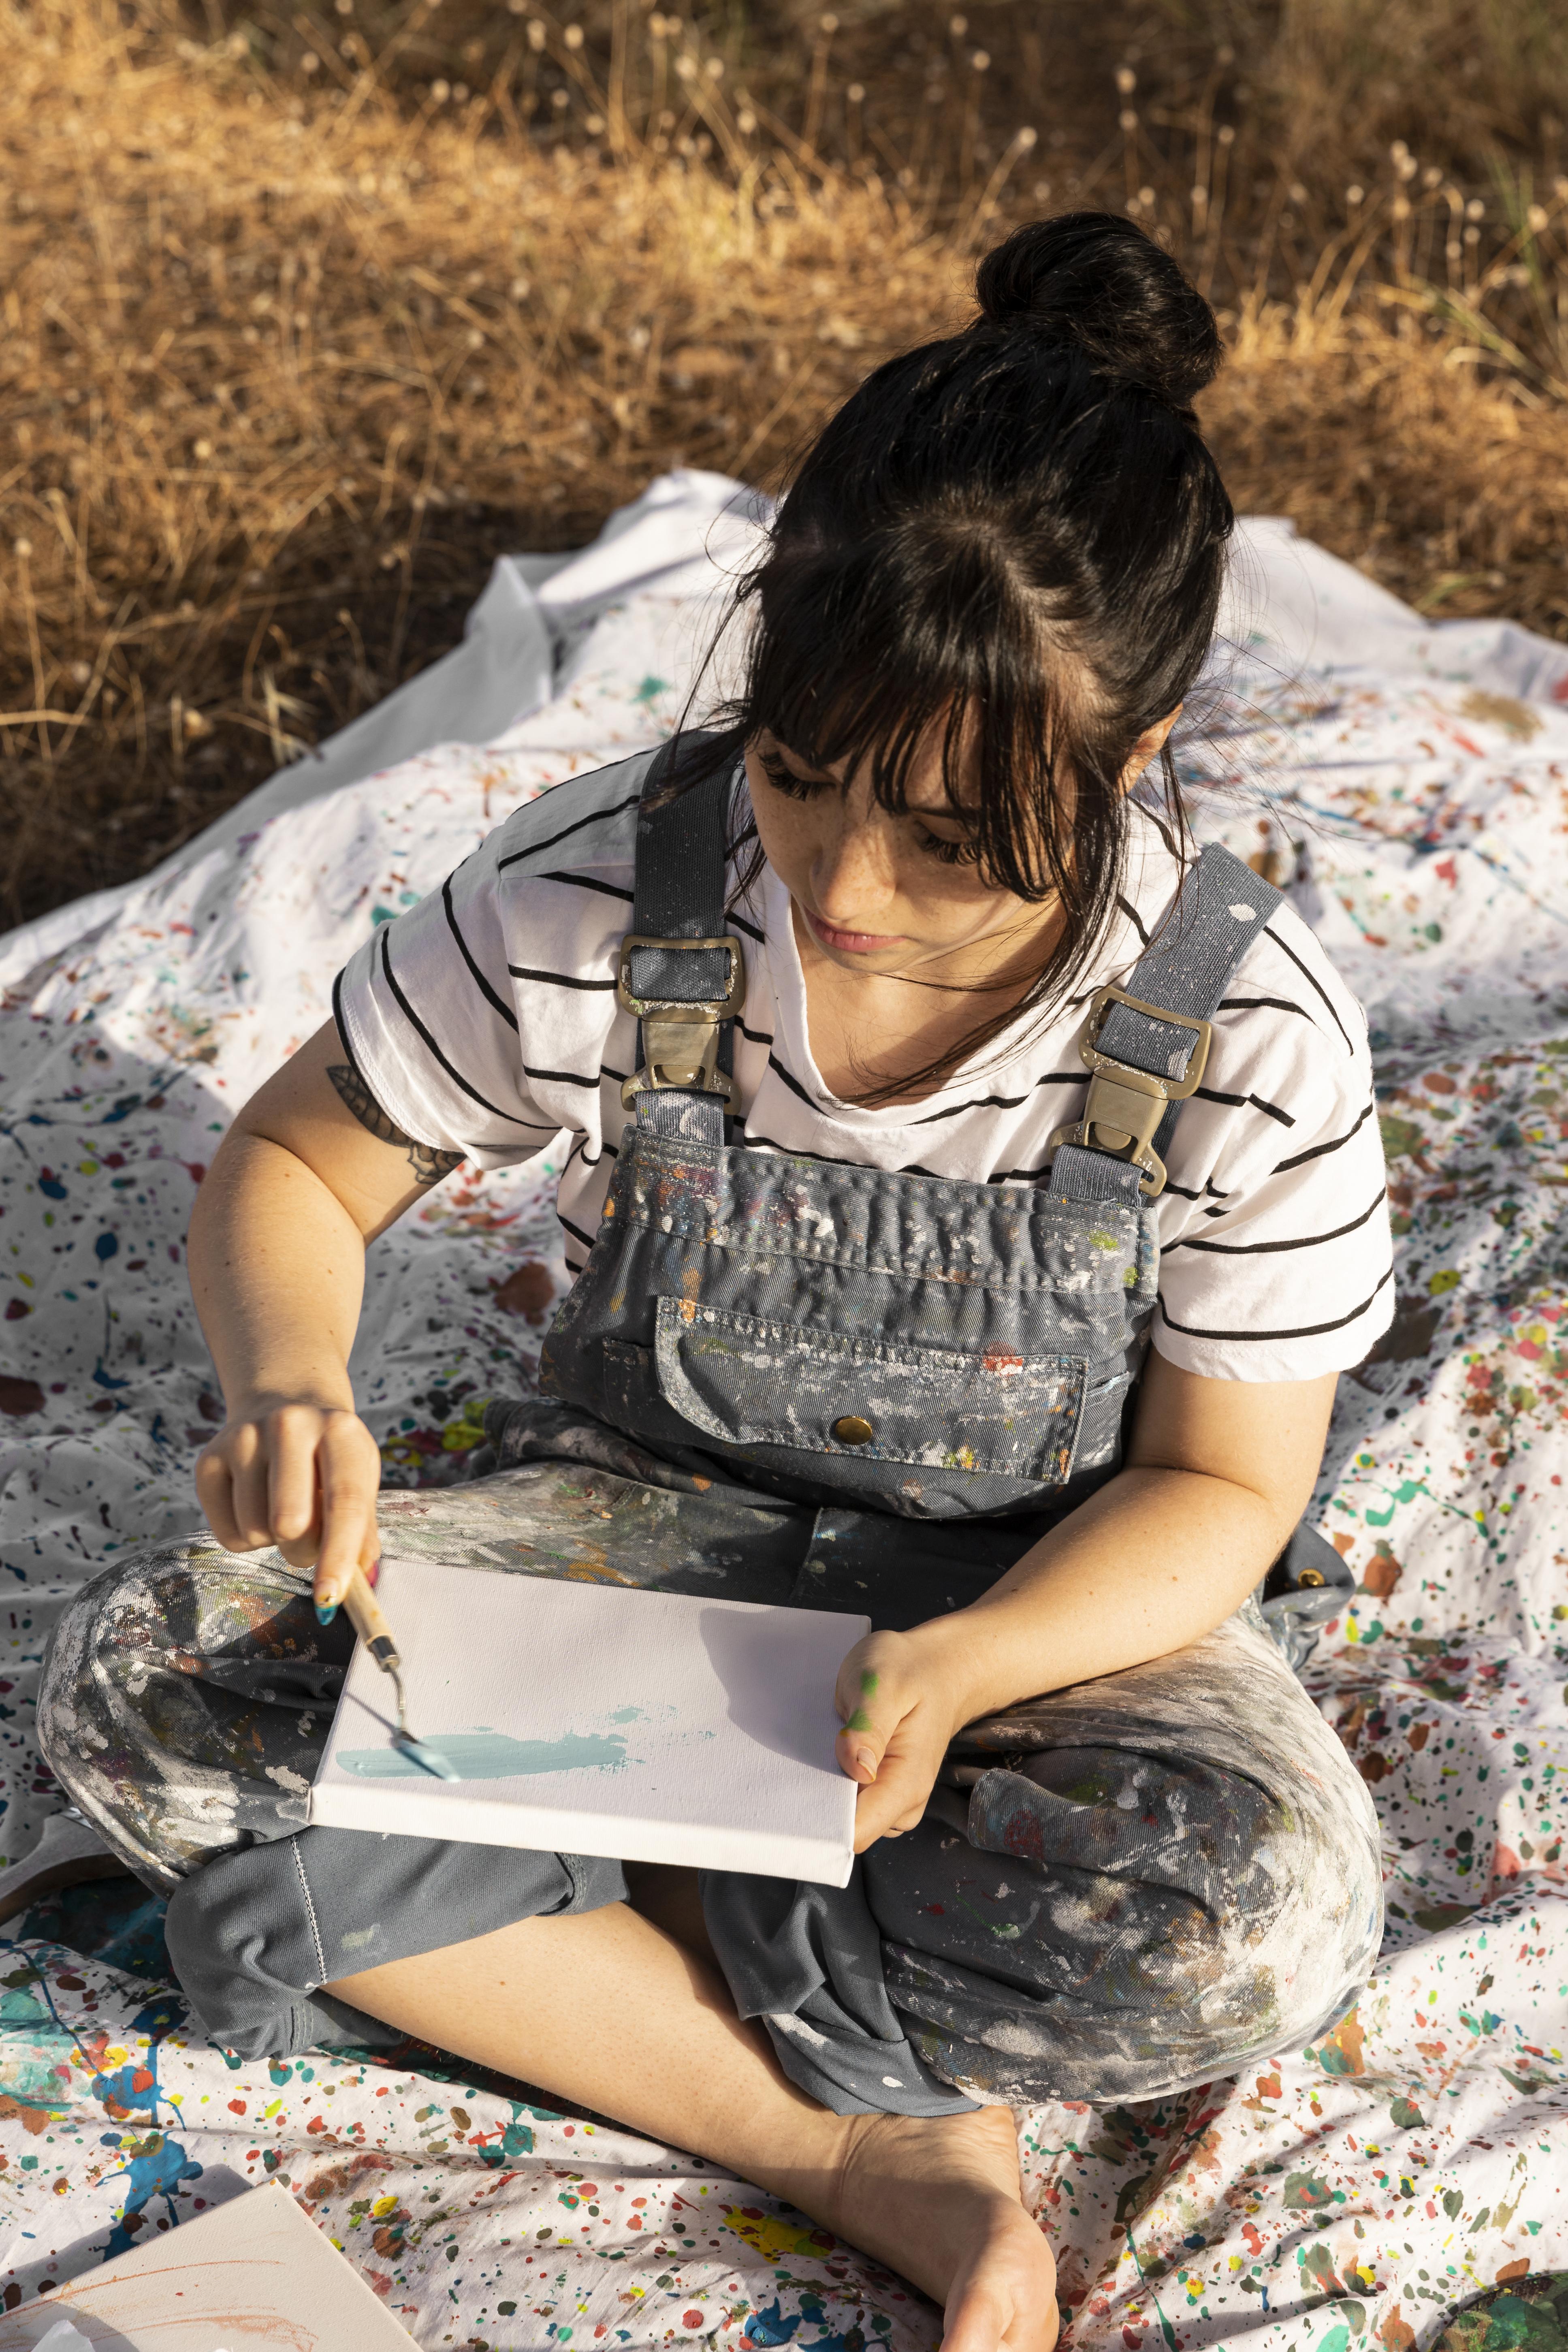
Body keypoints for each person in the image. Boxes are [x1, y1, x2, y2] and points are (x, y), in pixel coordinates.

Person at [39, 212, 1392, 2352]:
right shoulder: (617, 889)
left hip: (1013, 1614)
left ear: (1132, 771)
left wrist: (973, 1671)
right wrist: (291, 1379)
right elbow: (299, 1158)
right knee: (149, 1686)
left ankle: (584, 1897)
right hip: (647, 1550)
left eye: (952, 843)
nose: (844, 895)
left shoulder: (1248, 1033)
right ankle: (857, 2136)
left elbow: (1224, 1489)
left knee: (1260, 1910)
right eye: (798, 776)